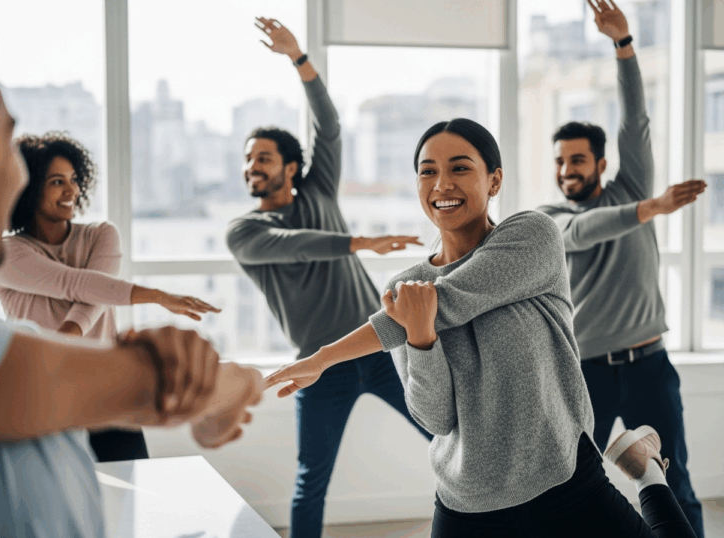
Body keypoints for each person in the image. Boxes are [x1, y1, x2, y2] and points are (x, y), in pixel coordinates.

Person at [266, 117, 697, 537]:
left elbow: (449, 299)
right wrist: (420, 339)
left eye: (459, 168)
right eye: (428, 171)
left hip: (564, 480)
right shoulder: (403, 291)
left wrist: (323, 358)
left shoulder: (532, 236)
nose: (442, 184)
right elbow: (435, 418)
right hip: (467, 504)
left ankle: (647, 472)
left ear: (494, 180)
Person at [0, 21, 263, 537]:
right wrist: (212, 383)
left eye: (71, 181)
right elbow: (156, 380)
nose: (20, 175)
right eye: (7, 140)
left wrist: (164, 373)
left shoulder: (94, 240)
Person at [225, 17, 432, 538]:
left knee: (449, 440)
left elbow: (329, 127)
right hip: (319, 366)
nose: (252, 166)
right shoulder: (244, 231)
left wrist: (299, 59)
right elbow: (294, 246)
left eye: (263, 157)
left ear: (291, 167)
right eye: (248, 159)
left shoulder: (318, 192)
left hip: (380, 348)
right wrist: (357, 243)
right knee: (310, 481)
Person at [536, 2, 705, 535]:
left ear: (601, 164)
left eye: (577, 159)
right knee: (574, 487)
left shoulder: (628, 188)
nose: (567, 170)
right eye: (560, 161)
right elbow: (584, 231)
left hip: (649, 364)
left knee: (674, 481)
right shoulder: (549, 218)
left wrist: (624, 44)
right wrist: (651, 208)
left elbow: (635, 122)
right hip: (585, 373)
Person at [0, 131, 219, 463]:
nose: (71, 190)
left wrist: (64, 339)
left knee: (134, 489)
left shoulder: (101, 235)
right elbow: (73, 283)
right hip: (43, 395)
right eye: (57, 182)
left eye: (73, 180)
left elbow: (95, 296)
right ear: (29, 188)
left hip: (109, 393)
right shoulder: (6, 254)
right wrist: (157, 296)